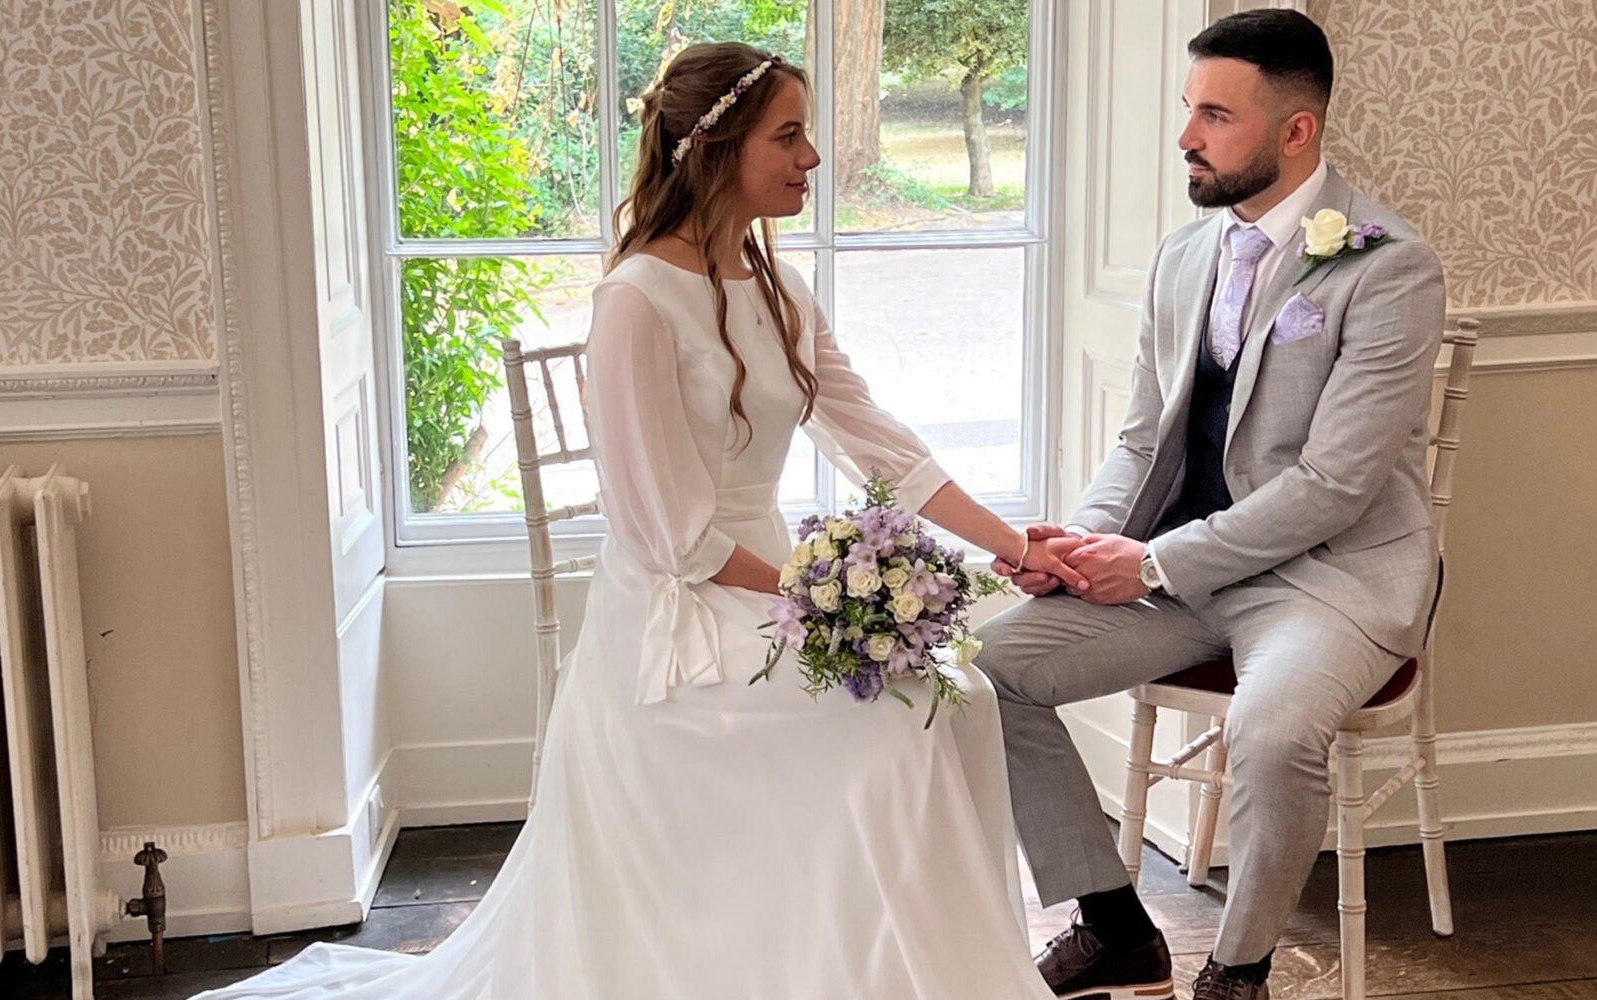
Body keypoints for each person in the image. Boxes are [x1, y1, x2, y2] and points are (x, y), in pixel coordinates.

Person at [192, 41, 1084, 1000]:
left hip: (775, 592)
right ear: (717, 149)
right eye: (789, 136)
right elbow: (675, 540)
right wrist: (833, 603)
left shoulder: (779, 289)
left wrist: (1013, 544)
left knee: (961, 699)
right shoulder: (636, 301)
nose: (814, 158)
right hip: (679, 622)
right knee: (900, 725)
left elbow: (877, 441)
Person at [975, 10, 1446, 1000]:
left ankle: (1237, 973)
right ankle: (1114, 927)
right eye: (1189, 109)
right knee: (990, 671)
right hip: (1184, 573)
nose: (1186, 136)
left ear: (1296, 131)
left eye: (1215, 117)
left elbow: (1334, 485)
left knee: (1271, 736)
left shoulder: (1388, 265)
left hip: (1326, 580)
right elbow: (1142, 442)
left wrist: (1149, 563)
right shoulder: (1182, 256)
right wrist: (1080, 542)